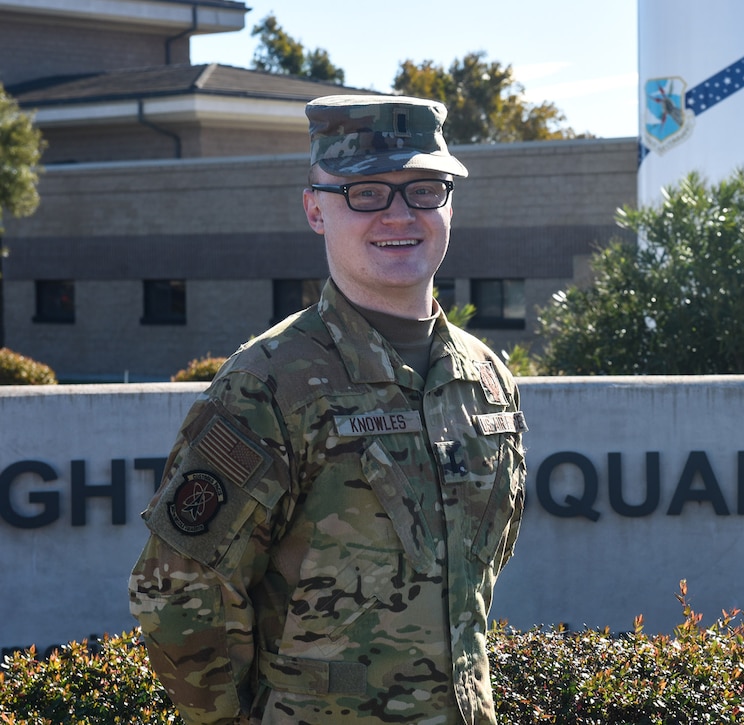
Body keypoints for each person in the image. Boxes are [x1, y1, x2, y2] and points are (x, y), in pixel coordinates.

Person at [129, 94, 528, 725]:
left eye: (425, 189)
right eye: (366, 192)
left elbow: (472, 580)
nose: (400, 214)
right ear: (315, 208)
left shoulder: (486, 380)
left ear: (449, 202)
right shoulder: (269, 382)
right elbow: (178, 591)